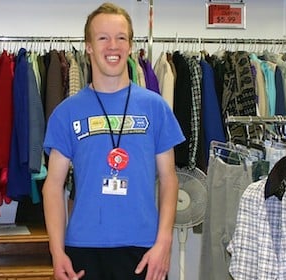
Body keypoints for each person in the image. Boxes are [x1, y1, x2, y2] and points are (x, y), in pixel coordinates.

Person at [42, 2, 184, 280]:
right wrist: (57, 252)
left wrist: (164, 242)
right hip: (83, 250)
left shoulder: (155, 107)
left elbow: (170, 179)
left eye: (121, 38)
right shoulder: (66, 113)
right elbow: (53, 186)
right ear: (89, 46)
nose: (113, 46)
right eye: (103, 38)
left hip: (144, 251)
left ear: (130, 46)